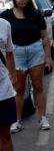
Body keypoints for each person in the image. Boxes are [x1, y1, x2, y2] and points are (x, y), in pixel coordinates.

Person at [0, 0, 52, 133]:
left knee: (39, 86)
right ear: (14, 0)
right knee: (19, 88)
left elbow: (45, 37)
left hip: (36, 51)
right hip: (17, 53)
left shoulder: (35, 15)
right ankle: (17, 120)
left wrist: (48, 57)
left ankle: (43, 118)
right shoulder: (6, 16)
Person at [0, 18, 17, 151]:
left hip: (3, 90)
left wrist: (13, 77)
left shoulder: (4, 24)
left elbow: (9, 53)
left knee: (5, 135)